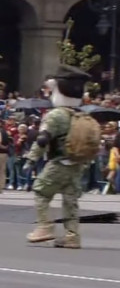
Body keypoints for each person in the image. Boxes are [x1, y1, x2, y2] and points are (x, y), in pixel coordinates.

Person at [24, 65, 95, 249]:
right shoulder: (81, 114)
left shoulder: (55, 115)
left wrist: (31, 159)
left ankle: (45, 227)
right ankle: (72, 236)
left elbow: (42, 139)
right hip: (77, 164)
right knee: (70, 200)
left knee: (41, 191)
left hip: (59, 163)